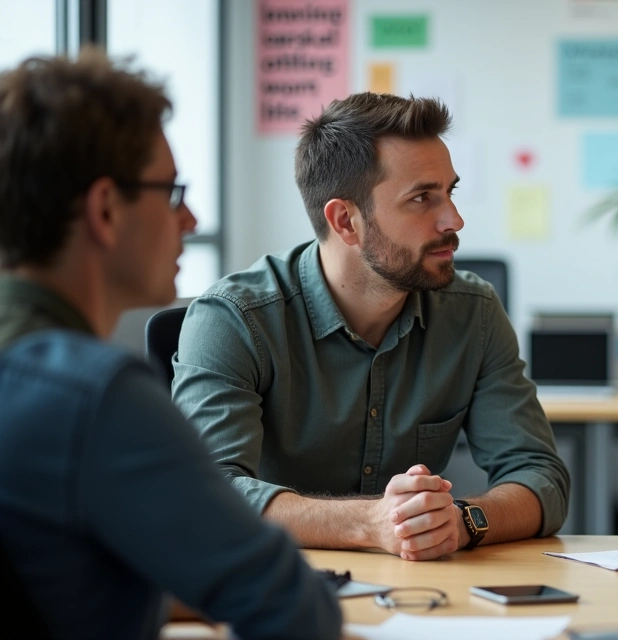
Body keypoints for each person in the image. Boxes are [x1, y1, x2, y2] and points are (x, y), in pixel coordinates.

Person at [0, 51, 341, 639]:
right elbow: (292, 610)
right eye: (171, 192)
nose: (191, 218)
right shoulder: (98, 397)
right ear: (106, 209)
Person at [173, 92, 570, 561]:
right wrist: (370, 523)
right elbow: (204, 495)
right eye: (423, 198)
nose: (455, 220)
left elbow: (540, 476)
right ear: (346, 221)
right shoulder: (236, 319)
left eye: (450, 192)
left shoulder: (473, 312)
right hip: (274, 585)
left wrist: (461, 522)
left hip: (417, 596)